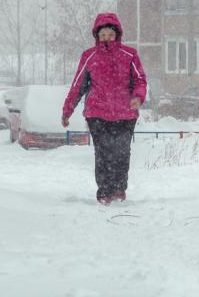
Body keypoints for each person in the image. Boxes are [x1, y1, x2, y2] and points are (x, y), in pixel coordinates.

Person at [62, 12, 148, 204]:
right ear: (97, 36)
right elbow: (78, 86)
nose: (107, 38)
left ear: (117, 34)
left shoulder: (130, 55)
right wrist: (67, 110)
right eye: (103, 35)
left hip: (125, 113)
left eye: (110, 34)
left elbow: (140, 80)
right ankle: (104, 191)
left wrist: (137, 97)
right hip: (97, 113)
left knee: (122, 151)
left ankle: (119, 189)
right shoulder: (89, 56)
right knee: (103, 152)